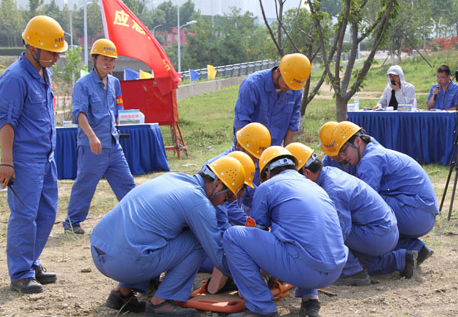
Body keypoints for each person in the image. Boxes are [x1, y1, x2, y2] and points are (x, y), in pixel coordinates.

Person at [90, 156, 245, 315]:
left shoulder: (174, 178)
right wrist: (248, 273)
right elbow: (217, 255)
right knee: (199, 241)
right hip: (125, 263)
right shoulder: (199, 203)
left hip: (98, 250)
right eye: (226, 198)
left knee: (155, 235)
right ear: (217, 185)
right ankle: (161, 302)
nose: (222, 204)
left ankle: (122, 292)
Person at [223, 146, 348, 317]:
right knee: (302, 235)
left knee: (233, 236)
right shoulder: (315, 186)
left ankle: (261, 308)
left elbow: (254, 232)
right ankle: (310, 299)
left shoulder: (267, 187)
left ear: (267, 172)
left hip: (305, 271)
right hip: (336, 269)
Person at [0, 15, 67, 294]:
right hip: (24, 161)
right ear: (33, 47)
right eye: (52, 52)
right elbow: (6, 121)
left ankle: (30, 261)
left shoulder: (43, 71)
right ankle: (20, 273)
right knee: (24, 216)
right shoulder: (14, 78)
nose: (56, 57)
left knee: (46, 213)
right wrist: (6, 161)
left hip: (45, 157)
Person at [287, 143, 418, 284]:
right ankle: (401, 259)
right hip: (381, 230)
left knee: (325, 233)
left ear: (307, 173)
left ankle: (352, 272)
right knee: (359, 260)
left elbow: (338, 232)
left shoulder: (332, 190)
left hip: (379, 233)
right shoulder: (328, 173)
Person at [331, 121, 437, 269]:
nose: (343, 157)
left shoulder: (370, 160)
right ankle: (415, 248)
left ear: (357, 141)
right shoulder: (374, 151)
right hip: (420, 211)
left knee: (369, 214)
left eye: (344, 151)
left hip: (417, 214)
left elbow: (365, 203)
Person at [63, 39, 135, 234]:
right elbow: (79, 113)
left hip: (112, 143)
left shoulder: (114, 82)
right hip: (92, 145)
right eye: (104, 59)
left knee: (127, 183)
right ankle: (72, 222)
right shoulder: (82, 84)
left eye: (112, 60)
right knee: (85, 184)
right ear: (94, 59)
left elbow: (115, 109)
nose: (108, 64)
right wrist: (92, 137)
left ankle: (137, 218)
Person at [233, 53, 311, 146]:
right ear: (278, 71)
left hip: (275, 150)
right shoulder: (252, 85)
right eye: (287, 84)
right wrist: (247, 150)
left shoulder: (296, 90)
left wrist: (286, 152)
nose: (289, 89)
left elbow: (293, 122)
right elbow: (242, 119)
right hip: (249, 147)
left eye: (292, 87)